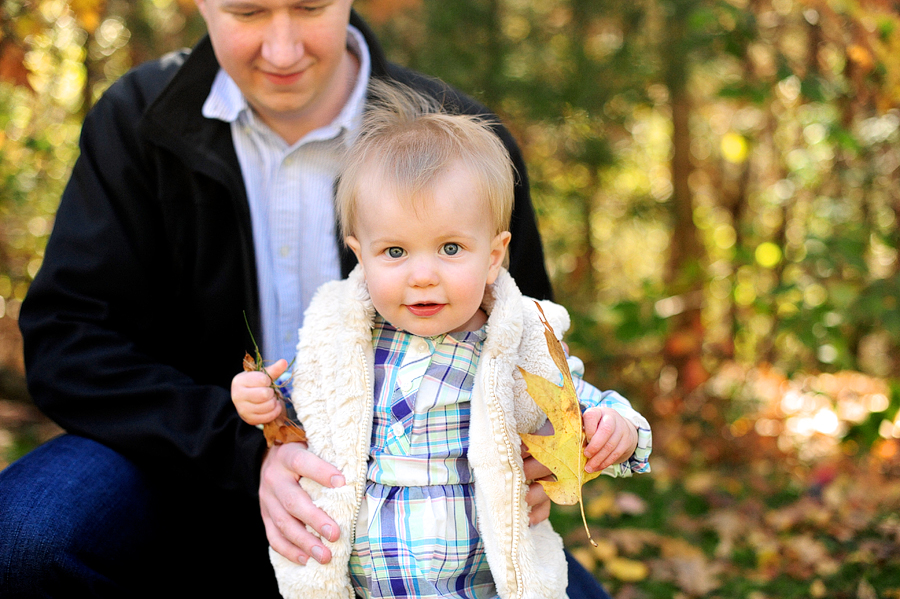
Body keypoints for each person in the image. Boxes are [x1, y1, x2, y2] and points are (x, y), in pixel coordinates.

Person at [0, 1, 612, 598]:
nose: (284, 48)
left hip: (424, 505)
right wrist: (246, 449)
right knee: (28, 538)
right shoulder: (138, 120)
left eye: (310, 7)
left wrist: (535, 457)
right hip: (179, 466)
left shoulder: (459, 140)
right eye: (248, 14)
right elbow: (69, 339)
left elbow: (523, 334)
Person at [231, 81, 651, 599]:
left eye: (450, 247)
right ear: (359, 255)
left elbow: (582, 406)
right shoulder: (342, 343)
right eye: (395, 252)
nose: (423, 275)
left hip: (478, 584)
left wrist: (619, 430)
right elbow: (300, 407)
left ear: (494, 255)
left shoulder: (518, 344)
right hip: (365, 582)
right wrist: (263, 402)